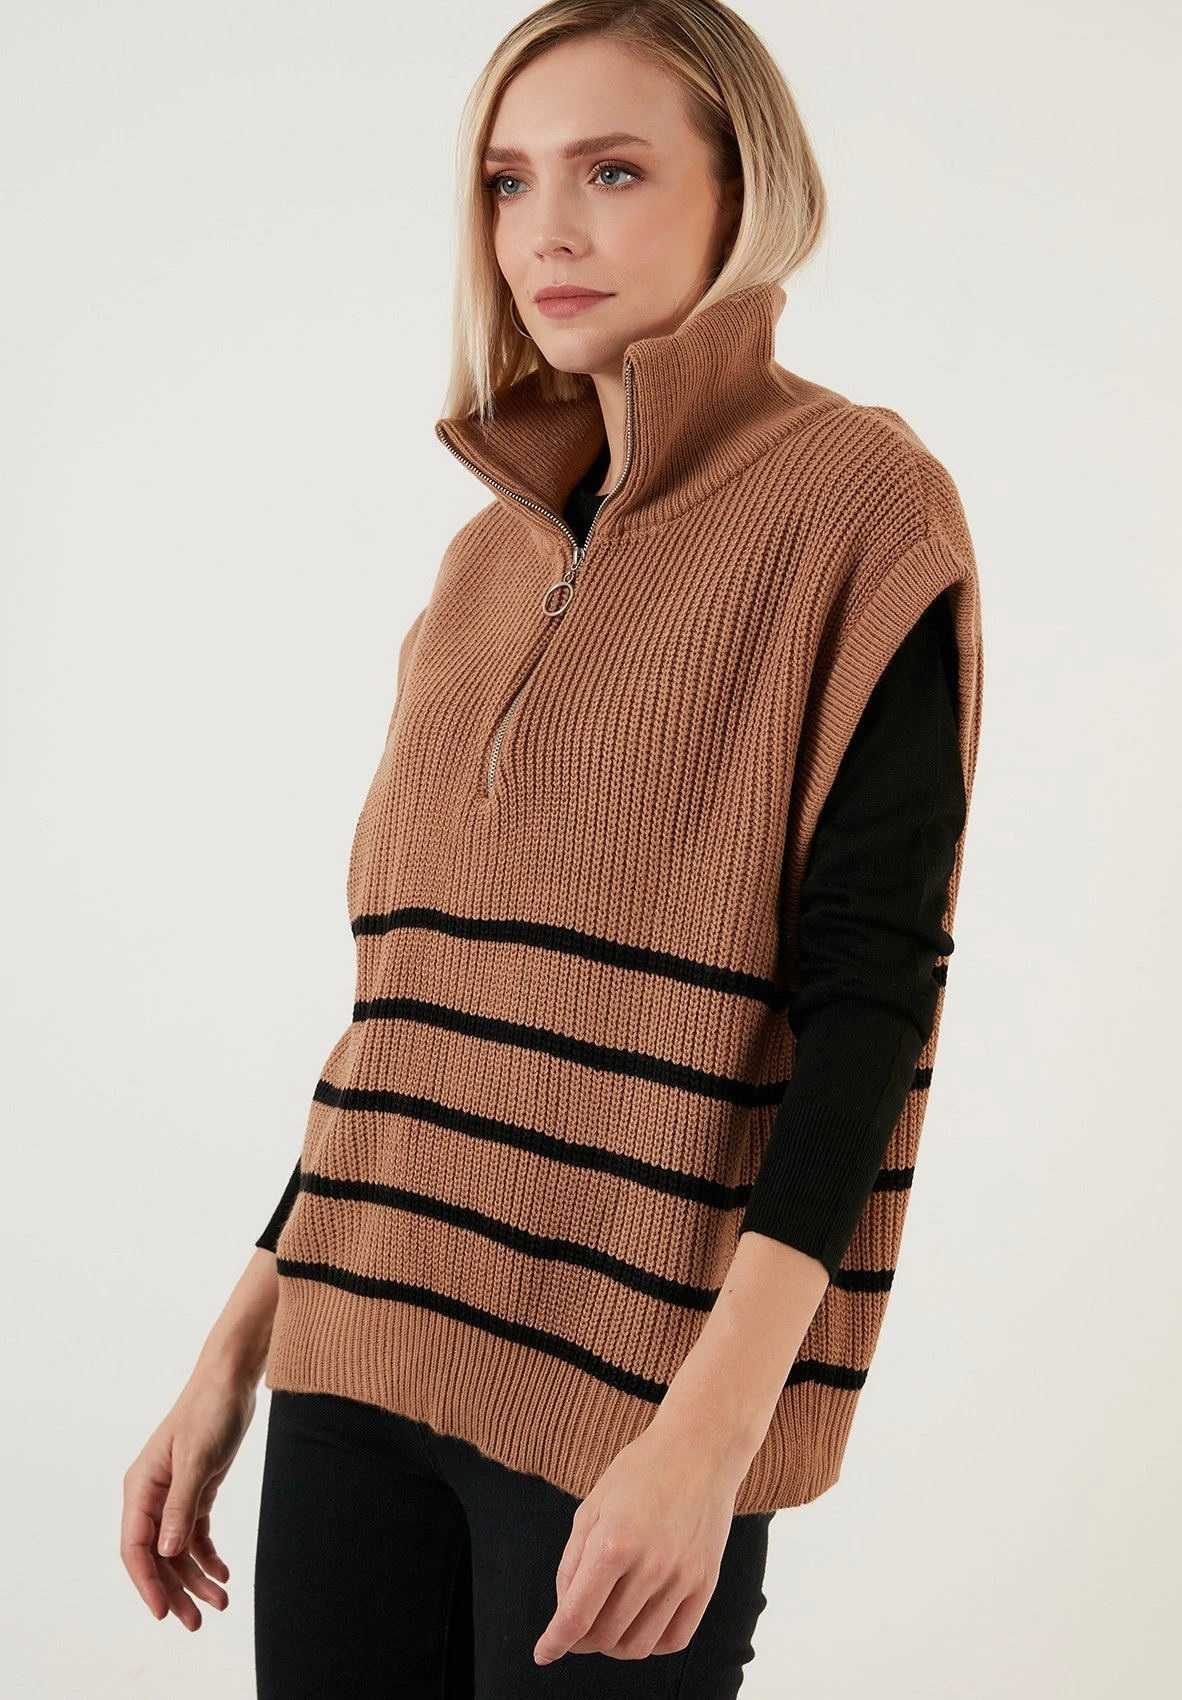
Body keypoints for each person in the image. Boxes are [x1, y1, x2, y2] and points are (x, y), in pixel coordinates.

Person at [120, 4, 983, 1695]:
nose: (546, 232)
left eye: (611, 171)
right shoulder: (482, 560)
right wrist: (236, 1348)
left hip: (626, 1398)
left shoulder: (858, 506)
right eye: (508, 182)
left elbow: (867, 1006)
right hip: (353, 1359)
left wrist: (709, 1439)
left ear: (742, 192)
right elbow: (403, 1013)